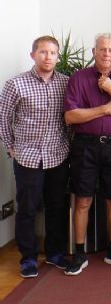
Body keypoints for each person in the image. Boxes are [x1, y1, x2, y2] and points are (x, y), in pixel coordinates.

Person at [63, 33, 111, 275]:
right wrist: (104, 109)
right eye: (102, 49)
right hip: (85, 146)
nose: (106, 54)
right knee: (83, 200)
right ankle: (79, 253)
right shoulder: (78, 78)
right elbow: (71, 116)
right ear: (94, 52)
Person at [0, 36, 70, 278]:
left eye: (52, 53)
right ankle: (28, 257)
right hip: (27, 157)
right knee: (28, 208)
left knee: (57, 206)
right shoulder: (15, 84)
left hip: (58, 155)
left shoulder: (65, 83)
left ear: (58, 57)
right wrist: (11, 146)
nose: (47, 57)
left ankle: (55, 253)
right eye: (42, 52)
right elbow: (3, 118)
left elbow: (70, 117)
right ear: (33, 55)